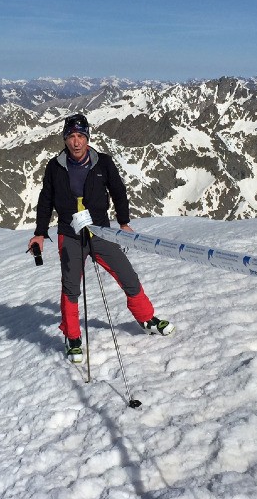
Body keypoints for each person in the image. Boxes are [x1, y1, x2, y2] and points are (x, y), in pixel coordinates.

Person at [28, 112, 174, 363]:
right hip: (69, 234)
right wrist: (40, 233)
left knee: (127, 275)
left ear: (87, 138)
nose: (76, 142)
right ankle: (72, 337)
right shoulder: (55, 166)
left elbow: (118, 192)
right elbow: (46, 200)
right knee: (71, 287)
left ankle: (147, 318)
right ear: (65, 139)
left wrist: (124, 223)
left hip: (101, 231)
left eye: (80, 136)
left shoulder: (103, 163)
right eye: (71, 137)